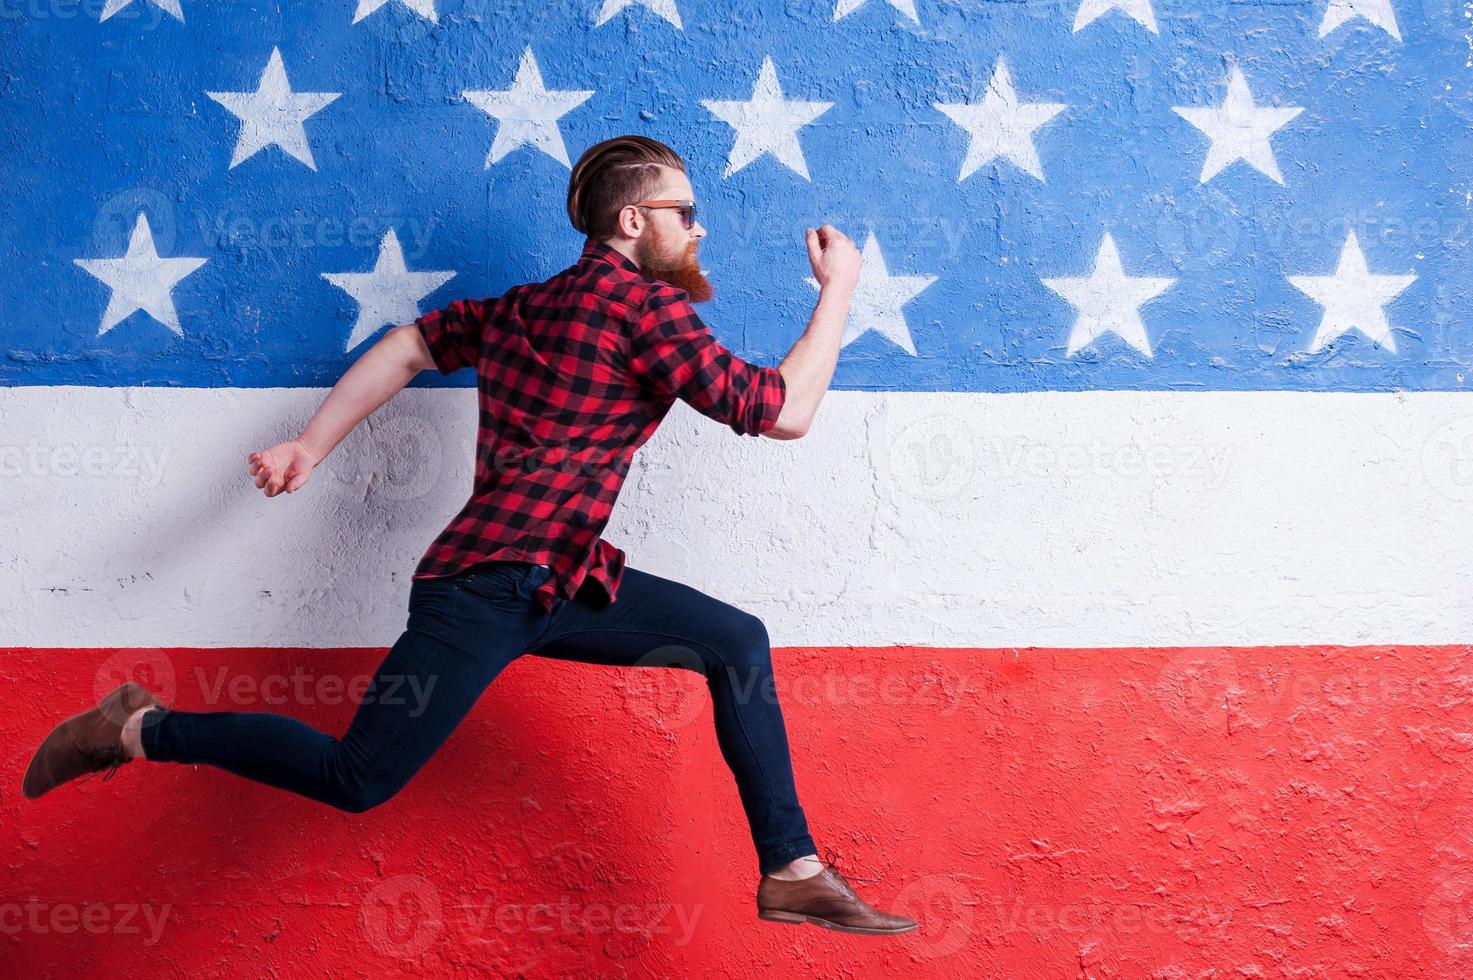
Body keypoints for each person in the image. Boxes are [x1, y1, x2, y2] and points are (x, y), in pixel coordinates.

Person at [22, 135, 917, 936]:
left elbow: (409, 346)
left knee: (733, 641)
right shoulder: (645, 310)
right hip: (491, 584)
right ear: (634, 218)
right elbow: (784, 411)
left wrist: (311, 443)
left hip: (556, 583)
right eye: (687, 213)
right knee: (356, 779)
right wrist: (837, 290)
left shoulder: (522, 308)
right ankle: (139, 727)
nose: (699, 231)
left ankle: (791, 869)